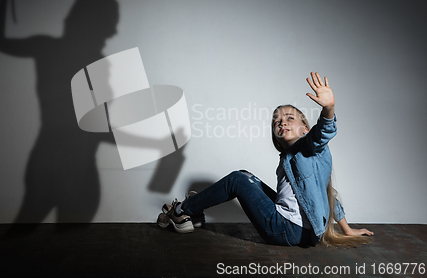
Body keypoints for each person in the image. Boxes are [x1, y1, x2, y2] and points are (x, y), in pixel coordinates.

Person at [157, 72, 373, 247]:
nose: (282, 123)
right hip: (299, 232)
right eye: (277, 121)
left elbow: (323, 133)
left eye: (290, 118)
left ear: (306, 129)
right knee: (244, 175)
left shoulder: (309, 147)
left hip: (286, 230)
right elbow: (329, 193)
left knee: (237, 180)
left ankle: (181, 211)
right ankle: (194, 210)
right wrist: (346, 229)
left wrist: (328, 108)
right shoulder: (293, 158)